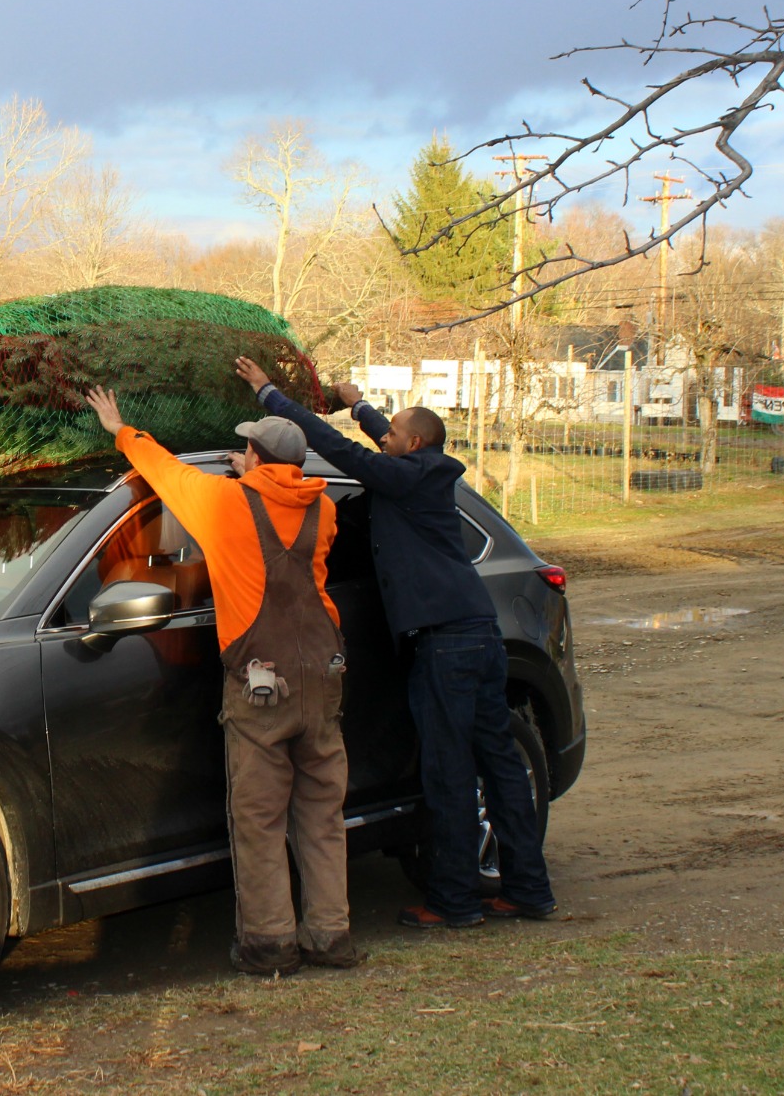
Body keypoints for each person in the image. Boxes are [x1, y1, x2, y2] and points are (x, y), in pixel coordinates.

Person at [233, 358, 557, 930]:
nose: (384, 441)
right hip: (479, 634)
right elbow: (382, 435)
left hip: (446, 644)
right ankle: (530, 890)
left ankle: (454, 900)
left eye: (392, 436)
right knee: (501, 764)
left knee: (448, 770)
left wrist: (269, 395)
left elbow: (336, 446)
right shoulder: (424, 470)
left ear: (411, 443)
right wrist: (359, 403)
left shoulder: (402, 476)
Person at [81, 387, 365, 974]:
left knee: (259, 818)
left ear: (255, 459)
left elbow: (164, 471)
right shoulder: (325, 507)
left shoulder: (223, 504)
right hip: (322, 674)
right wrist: (255, 476)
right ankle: (331, 936)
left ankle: (268, 945)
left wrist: (119, 426)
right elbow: (281, 512)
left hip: (263, 685)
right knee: (320, 813)